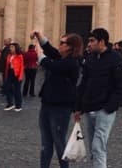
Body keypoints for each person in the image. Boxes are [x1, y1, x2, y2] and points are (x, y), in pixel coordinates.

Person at [74, 28, 122, 168]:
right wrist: (78, 107)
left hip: (104, 110)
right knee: (93, 147)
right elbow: (84, 83)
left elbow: (121, 86)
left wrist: (109, 107)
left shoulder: (116, 59)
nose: (89, 44)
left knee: (98, 147)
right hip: (89, 108)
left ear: (102, 42)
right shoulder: (90, 59)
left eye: (92, 41)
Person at [32, 30, 82, 168]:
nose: (59, 45)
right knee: (45, 143)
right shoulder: (61, 57)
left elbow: (50, 64)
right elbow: (49, 48)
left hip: (61, 108)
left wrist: (39, 52)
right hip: (47, 105)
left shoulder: (71, 63)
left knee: (59, 143)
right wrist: (38, 35)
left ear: (70, 47)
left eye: (62, 43)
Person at [2, 43, 25, 111]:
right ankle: (10, 103)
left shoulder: (20, 56)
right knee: (7, 88)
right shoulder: (9, 55)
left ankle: (18, 105)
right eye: (10, 47)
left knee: (17, 90)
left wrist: (20, 76)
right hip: (10, 72)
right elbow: (7, 66)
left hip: (17, 74)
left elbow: (22, 67)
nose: (10, 48)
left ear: (16, 48)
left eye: (12, 47)